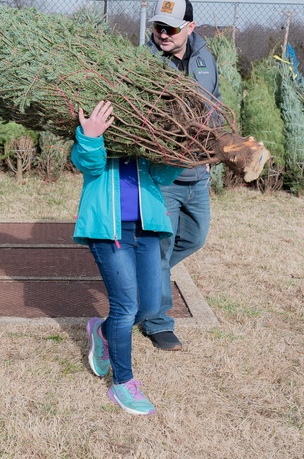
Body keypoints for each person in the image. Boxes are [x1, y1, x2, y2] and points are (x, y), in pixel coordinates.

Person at [74, 100, 181, 416]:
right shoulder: (96, 123)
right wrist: (91, 136)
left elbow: (162, 175)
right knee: (125, 306)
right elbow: (87, 164)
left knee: (148, 306)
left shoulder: (143, 134)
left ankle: (103, 332)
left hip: (146, 227)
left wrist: (176, 152)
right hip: (108, 229)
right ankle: (122, 383)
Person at [139, 0, 220, 352]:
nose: (163, 34)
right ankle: (157, 322)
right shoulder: (145, 62)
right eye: (158, 27)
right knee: (161, 245)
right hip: (163, 174)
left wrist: (214, 148)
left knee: (195, 237)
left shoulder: (205, 58)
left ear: (190, 27)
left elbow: (214, 105)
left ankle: (147, 279)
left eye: (171, 28)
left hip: (198, 172)